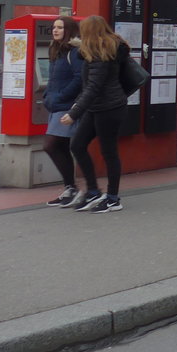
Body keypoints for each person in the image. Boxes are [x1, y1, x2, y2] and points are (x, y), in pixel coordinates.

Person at [61, 15, 131, 212]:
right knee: (77, 145)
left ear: (90, 32)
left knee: (109, 152)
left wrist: (74, 113)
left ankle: (113, 198)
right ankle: (93, 191)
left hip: (110, 107)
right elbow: (90, 86)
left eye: (83, 31)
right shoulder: (95, 50)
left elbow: (94, 87)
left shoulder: (102, 53)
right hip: (97, 107)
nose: (80, 34)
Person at [43, 17, 84, 206]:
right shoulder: (56, 49)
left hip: (66, 106)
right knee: (61, 146)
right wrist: (48, 95)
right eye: (54, 27)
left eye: (60, 27)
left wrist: (60, 96)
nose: (55, 30)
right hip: (55, 104)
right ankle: (70, 188)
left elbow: (79, 78)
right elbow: (53, 78)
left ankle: (73, 188)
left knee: (51, 145)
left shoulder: (74, 51)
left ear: (69, 30)